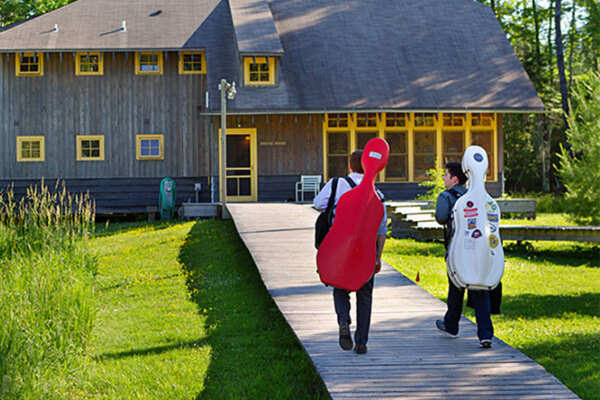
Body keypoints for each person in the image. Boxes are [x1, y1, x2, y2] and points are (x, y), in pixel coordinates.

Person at [313, 150, 387, 355]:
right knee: (365, 294)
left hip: (339, 245)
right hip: (365, 250)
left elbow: (318, 203)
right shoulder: (377, 194)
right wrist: (378, 256)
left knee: (339, 284)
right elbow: (381, 230)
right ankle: (361, 342)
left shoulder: (337, 184)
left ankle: (344, 320)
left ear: (350, 166)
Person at [434, 161, 494, 348]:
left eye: (446, 174)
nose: (443, 178)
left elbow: (441, 217)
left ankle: (452, 325)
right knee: (479, 288)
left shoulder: (447, 196)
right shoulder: (478, 195)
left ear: (455, 178)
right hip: (479, 248)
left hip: (457, 248)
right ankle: (485, 334)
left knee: (456, 286)